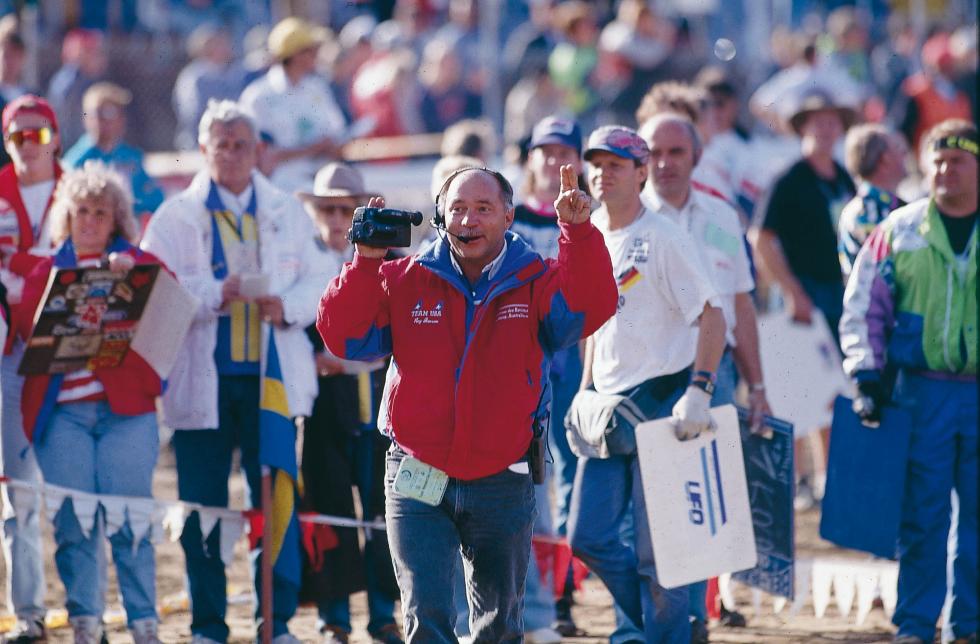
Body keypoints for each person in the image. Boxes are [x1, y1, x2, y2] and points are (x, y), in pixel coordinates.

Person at [317, 164, 617, 642]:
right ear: (440, 216)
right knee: (426, 620)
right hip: (417, 474)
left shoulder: (536, 279)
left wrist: (578, 234)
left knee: (499, 627)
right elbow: (345, 338)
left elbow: (590, 307)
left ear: (508, 216)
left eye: (483, 208)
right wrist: (365, 261)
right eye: (457, 208)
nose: (468, 220)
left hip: (502, 477)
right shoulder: (404, 277)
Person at [141, 99, 328, 643]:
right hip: (204, 381)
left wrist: (286, 306)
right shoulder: (175, 216)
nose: (230, 153)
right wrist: (209, 294)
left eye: (240, 144)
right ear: (202, 150)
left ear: (258, 151)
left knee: (275, 501)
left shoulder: (286, 210)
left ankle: (277, 621)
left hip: (270, 381)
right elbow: (155, 292)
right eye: (219, 144)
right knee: (202, 505)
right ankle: (208, 625)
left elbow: (321, 283)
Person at [566, 125, 726, 644]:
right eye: (597, 163)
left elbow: (712, 315)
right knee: (586, 537)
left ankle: (665, 632)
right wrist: (584, 389)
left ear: (641, 173)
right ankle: (666, 629)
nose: (602, 172)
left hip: (661, 403)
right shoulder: (593, 236)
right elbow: (594, 322)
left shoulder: (662, 237)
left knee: (661, 553)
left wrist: (700, 390)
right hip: (608, 408)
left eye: (616, 164)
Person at [839, 119, 977, 644]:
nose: (945, 169)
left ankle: (971, 624)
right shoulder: (899, 229)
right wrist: (866, 373)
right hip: (921, 393)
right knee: (922, 517)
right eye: (937, 159)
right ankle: (916, 624)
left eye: (959, 159)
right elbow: (863, 309)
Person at [15, 162, 165, 644]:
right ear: (67, 214)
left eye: (101, 212)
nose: (90, 221)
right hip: (64, 419)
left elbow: (170, 300)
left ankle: (144, 625)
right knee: (74, 524)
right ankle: (85, 625)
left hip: (127, 414)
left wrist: (136, 273)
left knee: (131, 520)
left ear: (116, 218)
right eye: (81, 211)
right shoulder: (45, 272)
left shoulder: (140, 261)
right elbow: (23, 328)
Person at [639, 113, 771, 641]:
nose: (666, 163)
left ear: (696, 157)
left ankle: (693, 616)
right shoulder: (622, 217)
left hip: (713, 375)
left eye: (677, 151)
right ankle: (655, 618)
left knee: (702, 504)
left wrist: (758, 385)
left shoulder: (721, 216)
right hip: (645, 380)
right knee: (645, 515)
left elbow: (740, 306)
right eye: (655, 152)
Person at [296, 162, 403, 644]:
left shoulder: (392, 257)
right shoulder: (299, 259)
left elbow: (398, 333)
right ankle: (334, 616)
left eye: (346, 208)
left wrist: (349, 359)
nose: (337, 218)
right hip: (320, 406)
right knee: (329, 509)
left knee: (384, 513)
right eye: (328, 208)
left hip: (379, 404)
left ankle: (383, 613)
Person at [510, 114, 586, 637]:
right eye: (545, 149)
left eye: (565, 150)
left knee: (573, 482)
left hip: (574, 364)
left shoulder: (585, 219)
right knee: (531, 483)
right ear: (530, 157)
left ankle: (561, 594)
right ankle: (535, 594)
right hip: (522, 368)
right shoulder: (506, 216)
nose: (555, 159)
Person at [0, 94, 62, 644]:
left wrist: (21, 261)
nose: (26, 145)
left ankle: (89, 612)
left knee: (82, 490)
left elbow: (77, 263)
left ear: (55, 137)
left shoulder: (82, 189)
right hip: (13, 353)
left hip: (72, 349)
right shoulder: (0, 189)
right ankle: (30, 614)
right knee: (18, 493)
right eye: (16, 136)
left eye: (36, 134)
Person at [752, 90, 856, 338]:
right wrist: (792, 292)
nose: (826, 130)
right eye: (819, 122)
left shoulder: (844, 179)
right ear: (803, 128)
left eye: (832, 122)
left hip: (840, 288)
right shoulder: (789, 179)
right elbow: (760, 238)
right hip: (805, 290)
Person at [240, 17, 347, 192]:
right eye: (311, 50)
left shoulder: (317, 87)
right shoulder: (258, 96)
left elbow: (337, 133)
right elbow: (261, 156)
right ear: (296, 54)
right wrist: (314, 148)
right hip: (281, 188)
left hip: (324, 182)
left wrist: (328, 146)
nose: (316, 55)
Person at [62, 82, 164, 222]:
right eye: (95, 114)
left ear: (121, 119)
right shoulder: (76, 160)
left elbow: (154, 200)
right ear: (85, 119)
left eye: (109, 113)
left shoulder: (131, 158)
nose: (101, 121)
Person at [837, 123, 908, 279]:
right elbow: (882, 275)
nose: (904, 154)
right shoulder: (868, 211)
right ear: (885, 159)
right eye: (897, 148)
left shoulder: (894, 206)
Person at [173, 24, 250, 151]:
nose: (225, 47)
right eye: (219, 44)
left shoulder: (233, 72)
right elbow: (191, 116)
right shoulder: (193, 77)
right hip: (198, 143)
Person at [46, 29, 107, 150]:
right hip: (69, 149)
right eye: (92, 52)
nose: (99, 57)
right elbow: (66, 126)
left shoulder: (86, 79)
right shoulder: (70, 82)